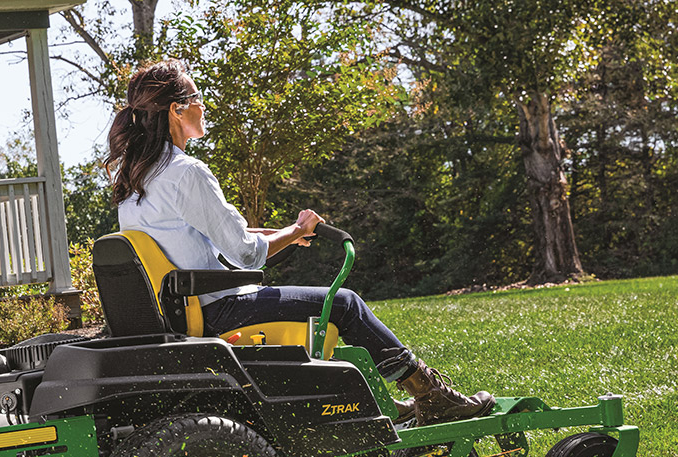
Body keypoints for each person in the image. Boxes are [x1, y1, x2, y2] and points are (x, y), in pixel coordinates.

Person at [106, 59, 494, 426]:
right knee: (345, 304)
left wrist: (280, 234)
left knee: (329, 309)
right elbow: (243, 255)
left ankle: (373, 401)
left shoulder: (134, 181)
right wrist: (295, 231)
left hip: (183, 315)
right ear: (177, 110)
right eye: (197, 99)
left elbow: (192, 241)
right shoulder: (187, 173)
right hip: (222, 310)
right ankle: (433, 397)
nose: (204, 107)